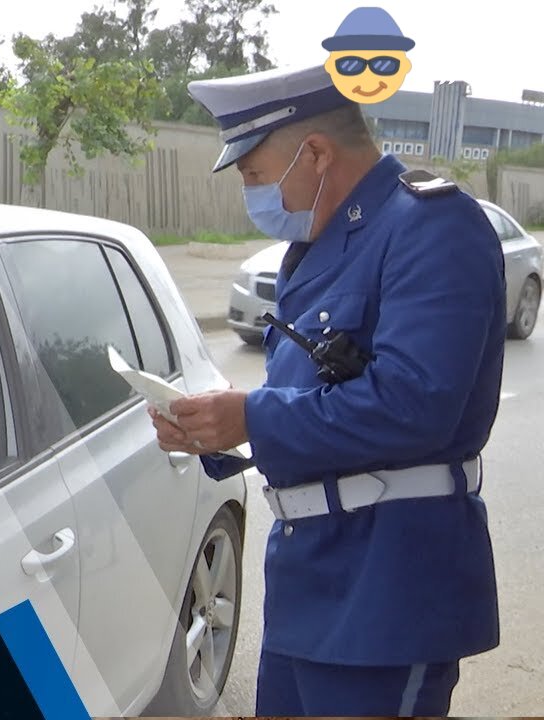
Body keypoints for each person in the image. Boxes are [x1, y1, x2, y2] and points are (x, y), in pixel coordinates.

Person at [151, 63, 504, 715]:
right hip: (309, 586)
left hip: (389, 594)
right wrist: (217, 430)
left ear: (314, 154)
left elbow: (414, 404)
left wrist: (252, 416)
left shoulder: (431, 226)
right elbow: (314, 401)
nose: (253, 194)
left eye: (254, 174)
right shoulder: (320, 244)